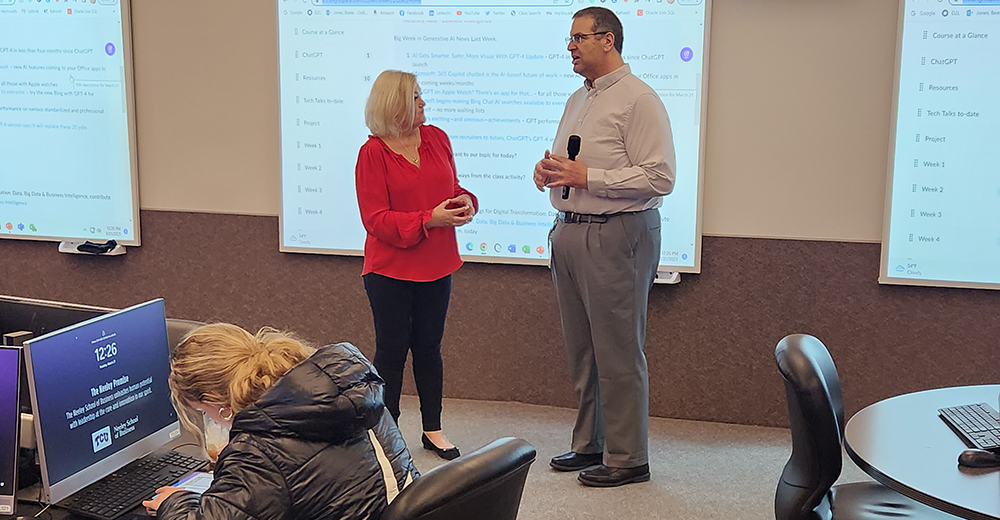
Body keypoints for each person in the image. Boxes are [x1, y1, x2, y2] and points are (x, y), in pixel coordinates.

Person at [532, 7, 676, 487]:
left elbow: (660, 176)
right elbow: (572, 162)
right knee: (584, 350)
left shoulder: (639, 100)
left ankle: (628, 456)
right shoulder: (579, 98)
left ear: (608, 40)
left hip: (618, 232)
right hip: (570, 229)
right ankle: (590, 444)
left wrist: (589, 177)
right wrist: (551, 173)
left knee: (617, 349)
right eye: (569, 39)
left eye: (577, 38)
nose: (570, 46)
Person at [141, 323, 419, 519]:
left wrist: (175, 502)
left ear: (216, 399)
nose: (210, 419)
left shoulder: (258, 451)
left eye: (204, 411)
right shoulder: (349, 393)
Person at [355, 70, 478, 460]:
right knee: (391, 353)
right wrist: (429, 219)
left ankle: (433, 429)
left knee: (429, 349)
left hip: (438, 264)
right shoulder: (372, 152)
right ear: (395, 104)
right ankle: (386, 434)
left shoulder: (438, 138)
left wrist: (466, 202)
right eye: (417, 97)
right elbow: (375, 219)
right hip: (389, 269)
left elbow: (452, 189)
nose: (424, 103)